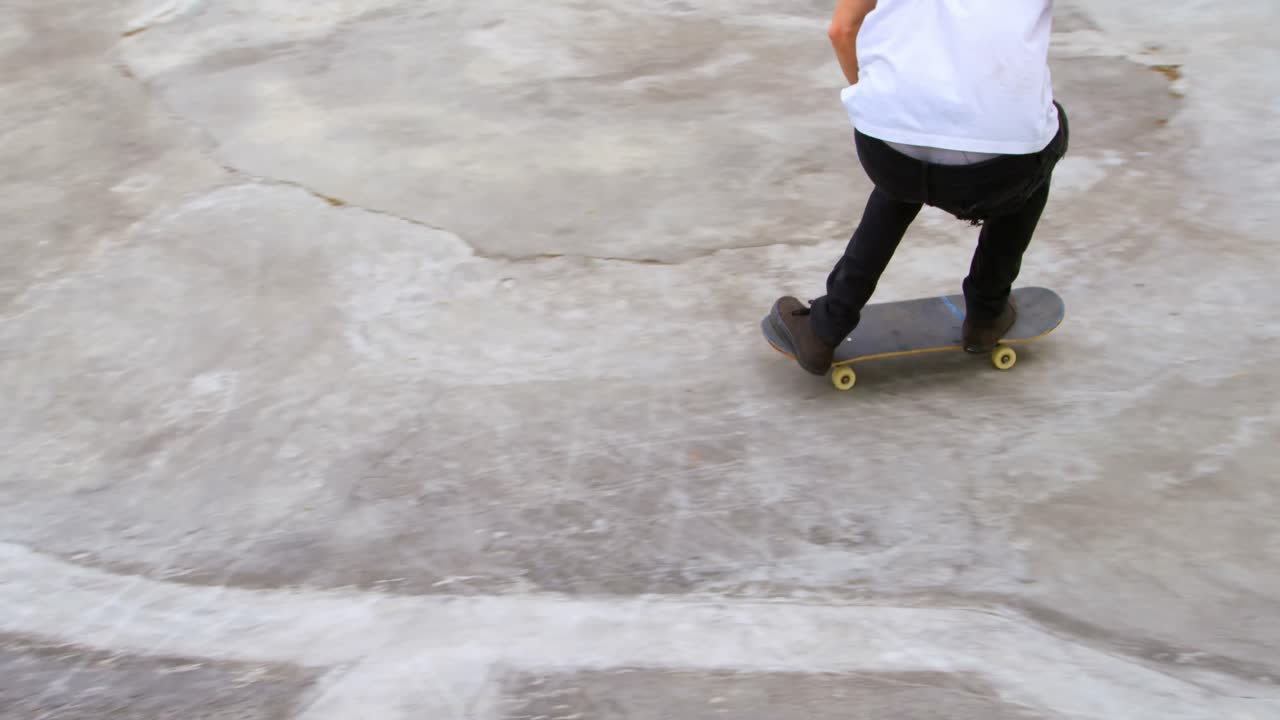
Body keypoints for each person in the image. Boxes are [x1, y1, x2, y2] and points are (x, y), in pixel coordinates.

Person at [769, 0, 1069, 376]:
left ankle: (826, 326)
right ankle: (986, 315)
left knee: (905, 162)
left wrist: (876, 103)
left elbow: (841, 30)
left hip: (888, 152)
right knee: (1041, 131)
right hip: (999, 170)